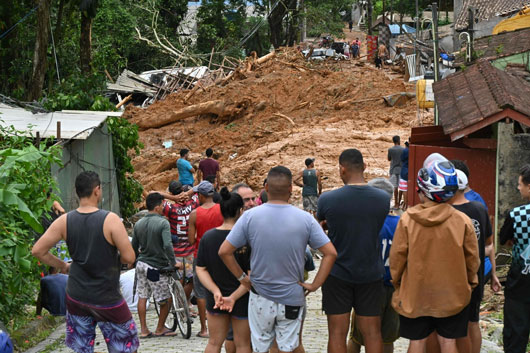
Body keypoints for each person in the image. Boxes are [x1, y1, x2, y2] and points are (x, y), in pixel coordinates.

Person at [219, 166, 337, 353]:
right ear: (291, 188)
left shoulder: (250, 217)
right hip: (292, 296)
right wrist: (315, 285)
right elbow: (330, 253)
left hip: (260, 296)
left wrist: (242, 278)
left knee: (261, 347)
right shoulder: (305, 219)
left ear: (266, 188)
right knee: (289, 347)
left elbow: (224, 251)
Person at [32, 171, 138, 353]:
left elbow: (37, 250)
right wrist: (110, 258)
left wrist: (63, 265)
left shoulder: (64, 221)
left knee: (82, 349)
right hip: (107, 298)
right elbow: (129, 258)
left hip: (77, 297)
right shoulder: (110, 220)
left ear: (77, 192)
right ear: (97, 190)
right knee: (125, 347)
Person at [390, 156, 480, 353]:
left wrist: (398, 285)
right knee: (448, 342)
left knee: (417, 341)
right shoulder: (462, 221)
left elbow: (397, 260)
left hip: (415, 293)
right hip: (452, 295)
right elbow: (472, 260)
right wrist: (470, 283)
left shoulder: (406, 220)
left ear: (424, 191)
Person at [317, 149, 390, 353]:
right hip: (370, 272)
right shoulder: (382, 199)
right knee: (373, 332)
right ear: (364, 167)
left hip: (337, 272)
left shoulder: (327, 200)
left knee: (337, 333)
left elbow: (319, 229)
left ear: (342, 169)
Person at [436, 169, 500, 353]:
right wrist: (493, 273)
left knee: (449, 330)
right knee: (473, 322)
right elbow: (489, 244)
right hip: (476, 275)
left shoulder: (446, 212)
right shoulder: (479, 208)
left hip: (451, 278)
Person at [347, 178, 400, 353]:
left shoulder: (367, 223)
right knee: (387, 338)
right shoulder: (401, 223)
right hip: (393, 287)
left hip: (369, 287)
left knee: (357, 337)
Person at [196, 187, 252, 353]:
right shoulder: (247, 238)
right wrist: (233, 297)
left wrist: (215, 291)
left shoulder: (208, 237)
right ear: (240, 211)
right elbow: (250, 277)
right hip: (242, 298)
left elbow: (201, 269)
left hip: (217, 300)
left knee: (214, 343)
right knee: (243, 344)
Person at [132, 192, 178, 338]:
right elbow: (167, 245)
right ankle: (160, 328)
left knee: (143, 296)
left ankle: (144, 330)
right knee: (166, 299)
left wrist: (133, 261)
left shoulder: (138, 224)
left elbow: (134, 246)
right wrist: (173, 262)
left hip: (141, 265)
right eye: (163, 205)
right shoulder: (163, 222)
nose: (164, 207)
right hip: (154, 267)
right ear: (158, 207)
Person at [499, 164, 530, 353]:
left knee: (516, 332)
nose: (518, 188)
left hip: (520, 283)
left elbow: (504, 239)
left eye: (520, 184)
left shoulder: (517, 214)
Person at [188, 180, 224, 338]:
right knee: (220, 286)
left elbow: (190, 240)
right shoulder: (222, 210)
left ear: (201, 196)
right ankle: (222, 324)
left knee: (201, 292)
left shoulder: (194, 214)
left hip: (201, 255)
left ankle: (204, 329)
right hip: (221, 254)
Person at [157, 181, 199, 301]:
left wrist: (172, 198)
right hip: (190, 250)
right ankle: (186, 304)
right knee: (191, 280)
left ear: (170, 192)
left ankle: (179, 305)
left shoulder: (170, 208)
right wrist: (188, 193)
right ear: (182, 189)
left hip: (176, 252)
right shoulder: (193, 203)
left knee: (179, 280)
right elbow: (202, 186)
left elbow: (152, 194)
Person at [388, 136, 404, 210]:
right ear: (399, 140)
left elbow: (389, 159)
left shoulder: (390, 149)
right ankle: (399, 202)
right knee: (401, 187)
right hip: (401, 170)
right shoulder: (403, 149)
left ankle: (396, 203)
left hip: (393, 170)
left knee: (395, 187)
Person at [398, 141, 409, 211]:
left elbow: (401, 159)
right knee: (405, 188)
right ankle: (405, 204)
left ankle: (404, 205)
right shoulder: (412, 150)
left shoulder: (405, 150)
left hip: (404, 170)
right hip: (410, 170)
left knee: (403, 189)